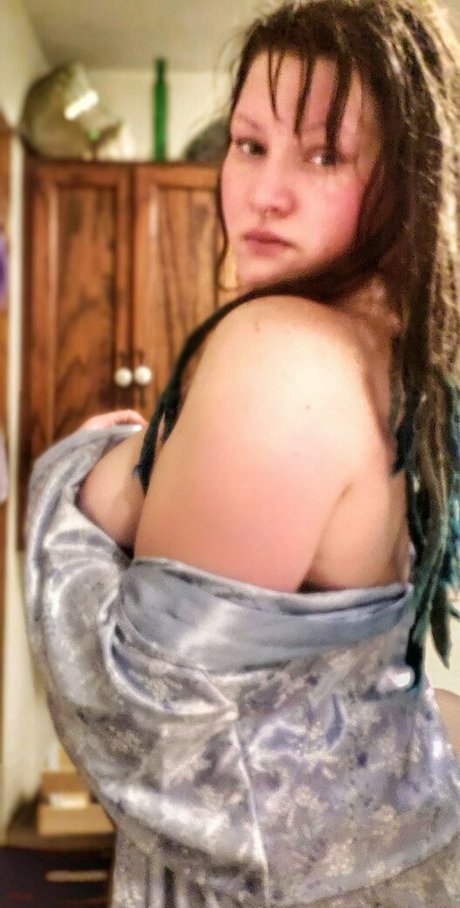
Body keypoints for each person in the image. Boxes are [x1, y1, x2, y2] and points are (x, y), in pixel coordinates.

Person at [25, 1, 460, 906]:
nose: (264, 192)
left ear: (407, 179)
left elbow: (150, 729)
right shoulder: (395, 360)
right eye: (250, 144)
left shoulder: (279, 350)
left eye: (324, 155)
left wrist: (70, 478)